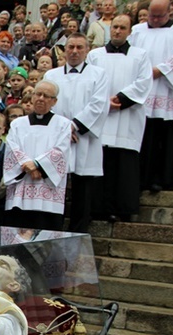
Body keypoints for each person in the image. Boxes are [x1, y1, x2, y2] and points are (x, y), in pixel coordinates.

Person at [87, 14, 154, 222]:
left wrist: (121, 99)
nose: (117, 31)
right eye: (114, 27)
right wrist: (105, 102)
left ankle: (123, 208)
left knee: (123, 165)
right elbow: (88, 81)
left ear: (129, 31)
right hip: (102, 116)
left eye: (122, 28)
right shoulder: (95, 55)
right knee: (101, 164)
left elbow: (144, 82)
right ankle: (98, 208)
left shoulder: (140, 55)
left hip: (127, 117)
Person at [43, 33, 110, 233]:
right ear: (64, 50)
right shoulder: (51, 75)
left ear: (87, 50)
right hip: (58, 139)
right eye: (70, 47)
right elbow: (47, 102)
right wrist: (62, 129)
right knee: (55, 184)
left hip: (84, 138)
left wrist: (74, 127)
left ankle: (78, 230)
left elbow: (98, 105)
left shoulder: (98, 74)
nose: (74, 51)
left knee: (83, 186)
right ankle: (53, 228)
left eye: (79, 47)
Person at [128, 0, 173, 192]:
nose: (155, 20)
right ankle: (142, 179)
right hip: (143, 89)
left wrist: (161, 70)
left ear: (169, 13)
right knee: (145, 136)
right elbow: (130, 54)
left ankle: (165, 179)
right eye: (152, 16)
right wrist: (143, 74)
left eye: (159, 16)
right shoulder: (138, 30)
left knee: (165, 137)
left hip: (167, 89)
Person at [3, 80, 72, 231]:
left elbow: (62, 151)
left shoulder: (63, 124)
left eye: (46, 96)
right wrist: (30, 166)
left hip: (48, 191)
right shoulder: (17, 124)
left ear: (54, 101)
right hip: (21, 188)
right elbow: (12, 148)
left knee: (46, 234)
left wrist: (37, 164)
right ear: (32, 97)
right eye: (38, 94)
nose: (41, 98)